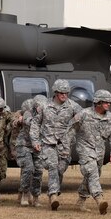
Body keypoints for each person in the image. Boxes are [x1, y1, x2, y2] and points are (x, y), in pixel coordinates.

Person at [30, 79, 81, 210]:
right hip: (48, 143)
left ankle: (55, 191)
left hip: (64, 144)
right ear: (56, 93)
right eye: (62, 93)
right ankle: (53, 196)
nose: (65, 95)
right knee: (52, 166)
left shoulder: (73, 106)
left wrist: (74, 130)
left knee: (60, 169)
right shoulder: (45, 106)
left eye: (66, 93)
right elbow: (35, 124)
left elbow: (84, 118)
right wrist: (35, 141)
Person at [72, 89, 111, 215]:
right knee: (92, 172)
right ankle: (99, 199)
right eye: (106, 102)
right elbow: (70, 129)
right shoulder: (84, 114)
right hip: (85, 149)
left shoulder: (110, 118)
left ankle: (81, 200)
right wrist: (65, 147)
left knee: (93, 175)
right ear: (98, 102)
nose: (109, 104)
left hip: (99, 152)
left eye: (110, 102)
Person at [12, 95, 47, 207]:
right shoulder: (28, 114)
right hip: (24, 145)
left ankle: (36, 198)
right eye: (39, 107)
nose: (41, 109)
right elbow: (31, 123)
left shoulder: (47, 115)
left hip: (38, 146)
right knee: (28, 169)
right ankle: (24, 194)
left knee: (38, 171)